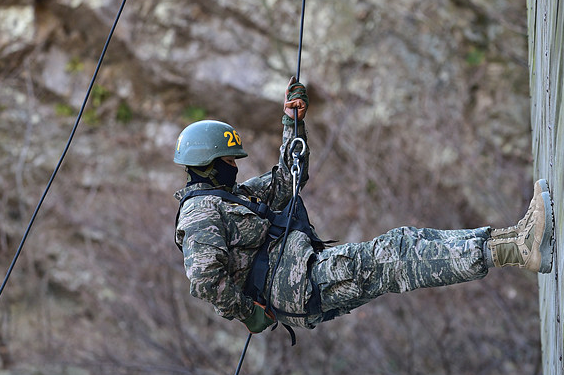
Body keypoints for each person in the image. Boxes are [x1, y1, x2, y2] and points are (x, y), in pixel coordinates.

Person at [173, 78, 554, 334]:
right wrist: (250, 315)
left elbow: (289, 177)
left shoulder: (232, 198)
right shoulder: (200, 213)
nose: (235, 166)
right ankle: (516, 250)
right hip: (301, 285)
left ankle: (515, 241)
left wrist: (294, 124)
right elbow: (205, 280)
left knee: (408, 242)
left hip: (307, 274)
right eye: (230, 160)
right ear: (209, 164)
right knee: (397, 255)